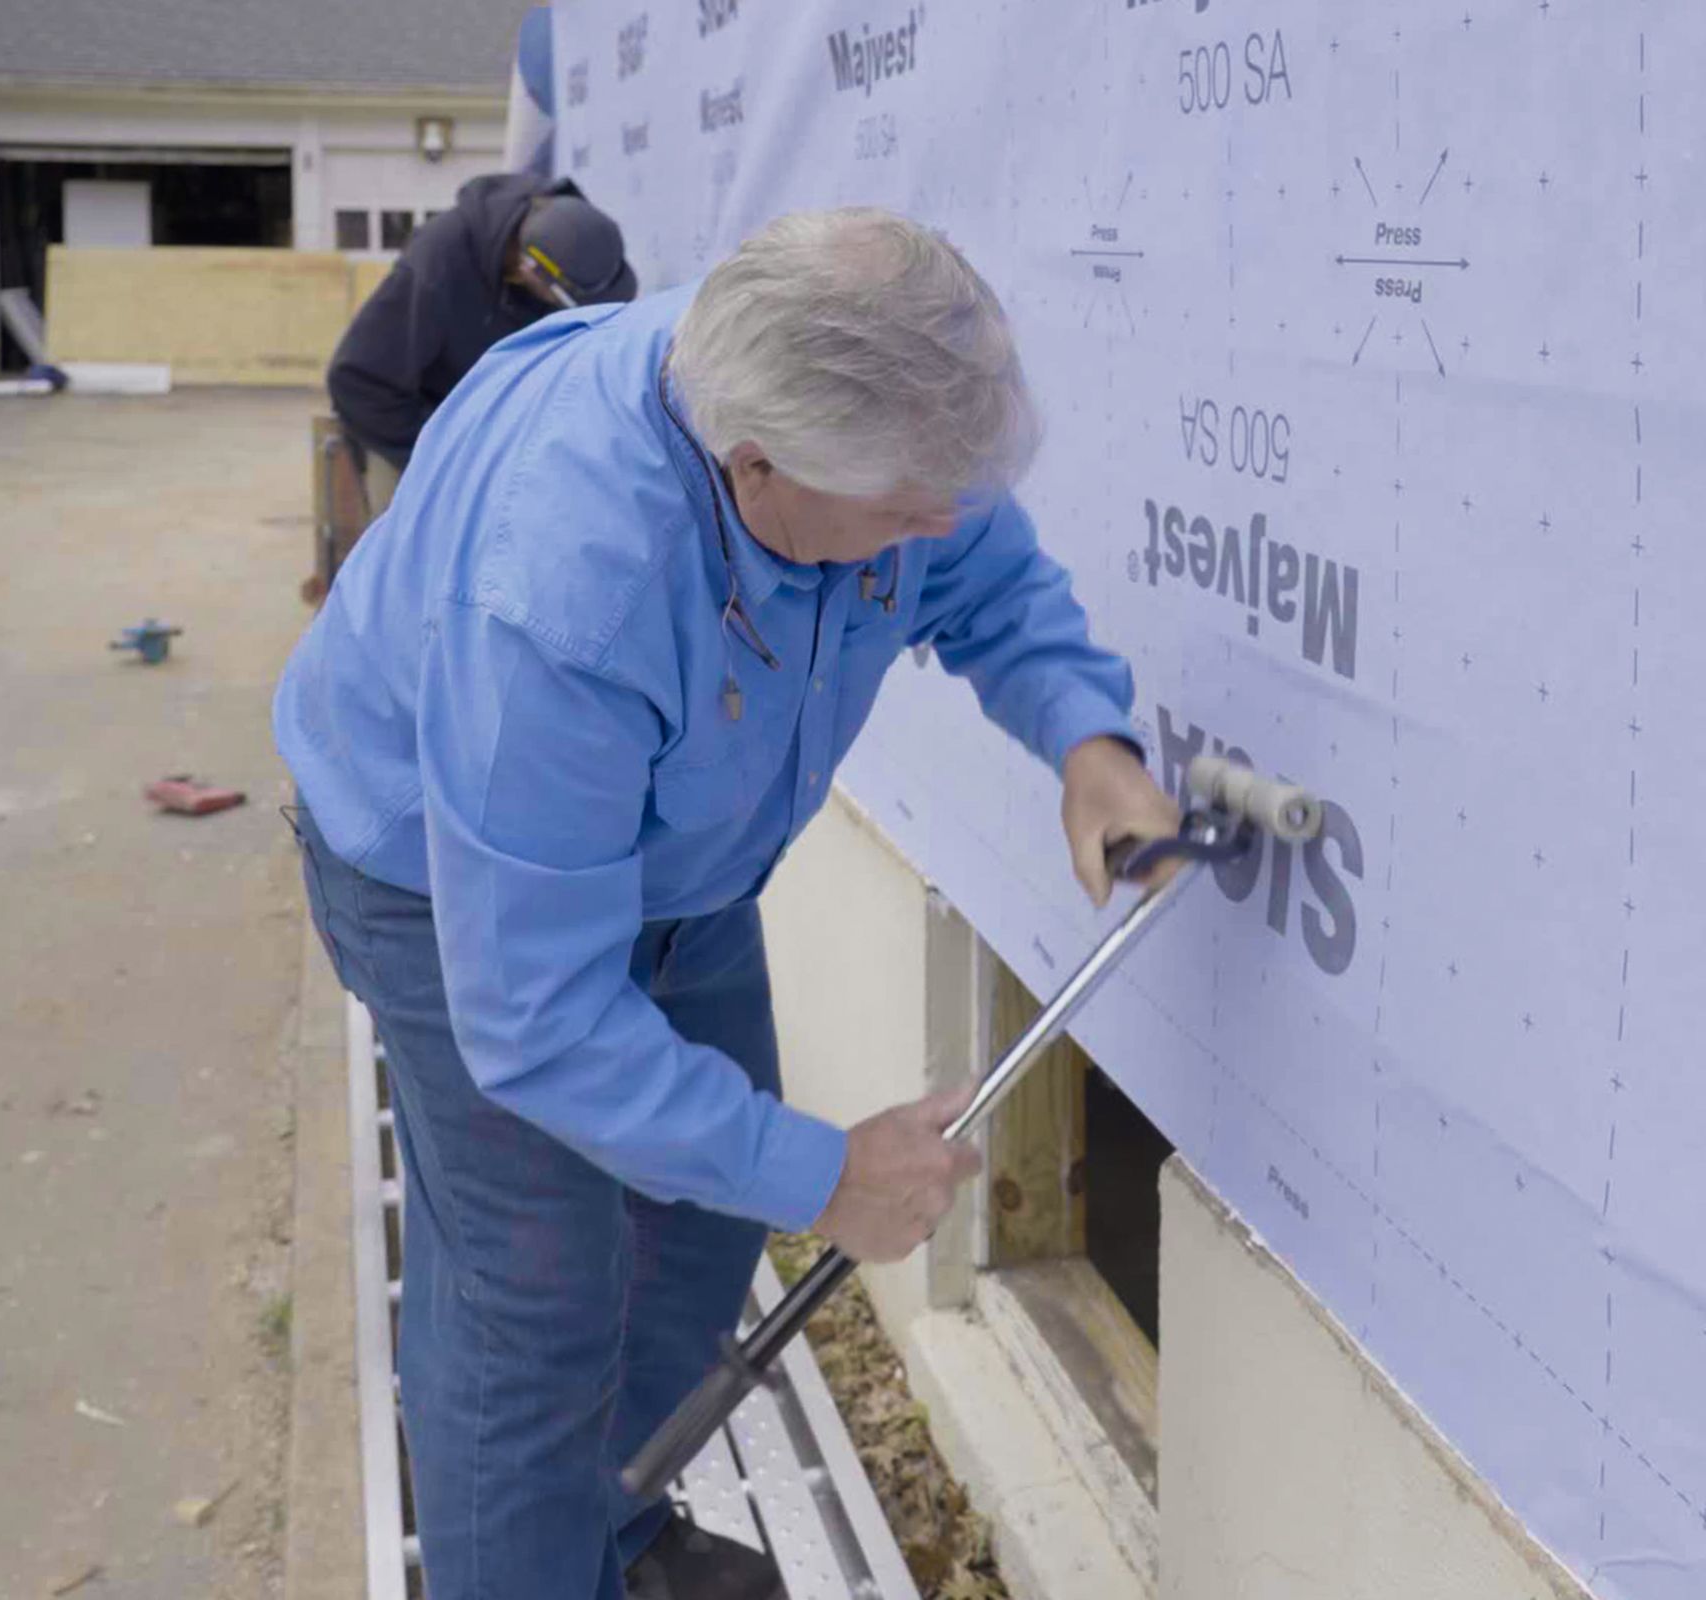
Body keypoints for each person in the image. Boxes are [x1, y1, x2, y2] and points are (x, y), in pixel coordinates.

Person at [276, 207, 1180, 1600]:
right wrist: (829, 1175)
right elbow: (543, 1023)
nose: (933, 527)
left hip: (674, 869)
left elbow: (984, 572)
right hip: (438, 879)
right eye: (900, 513)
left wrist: (1087, 740)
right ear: (758, 470)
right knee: (535, 1303)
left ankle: (610, 1535)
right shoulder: (565, 595)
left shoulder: (847, 374)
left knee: (694, 1226)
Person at [326, 172, 638, 517]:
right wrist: (452, 456)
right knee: (416, 546)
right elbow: (357, 381)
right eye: (564, 302)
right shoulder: (438, 265)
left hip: (485, 432)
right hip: (406, 427)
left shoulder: (566, 240)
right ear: (527, 270)